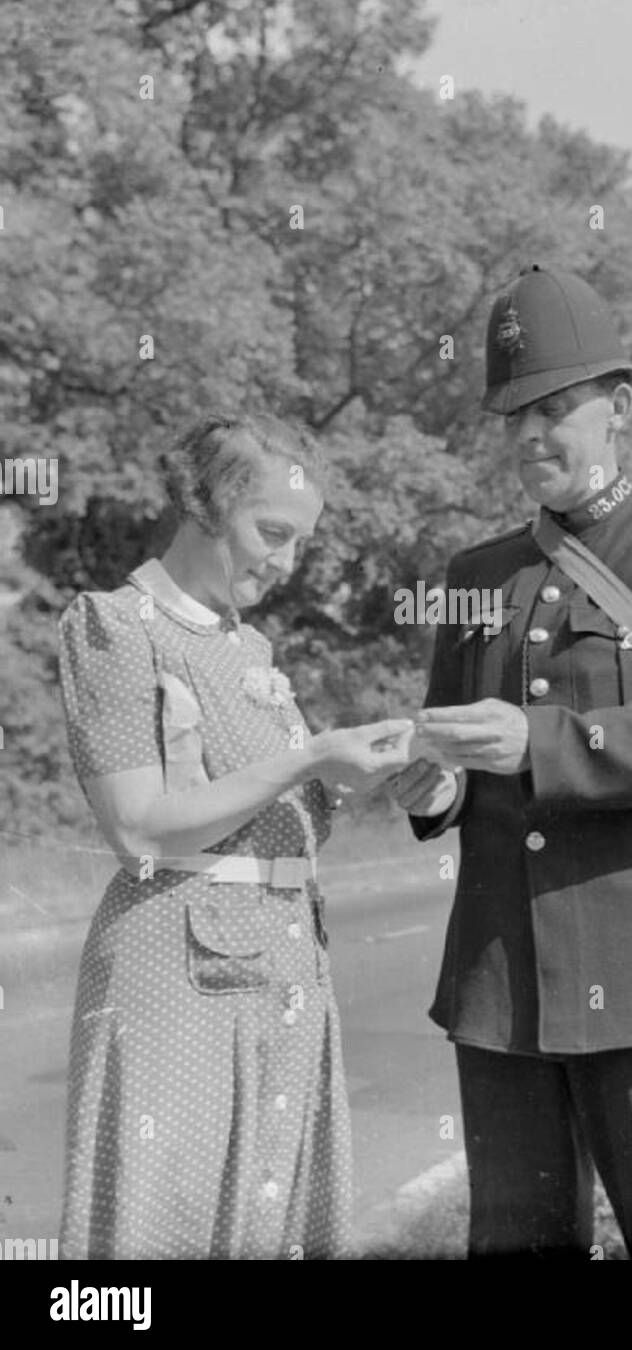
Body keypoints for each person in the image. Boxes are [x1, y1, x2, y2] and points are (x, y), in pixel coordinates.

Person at [390, 264, 632, 1258]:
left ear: (619, 405)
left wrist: (544, 743)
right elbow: (453, 764)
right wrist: (426, 785)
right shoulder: (474, 574)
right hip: (500, 985)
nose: (528, 433)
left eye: (554, 406)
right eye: (513, 413)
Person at [57, 412, 413, 1260]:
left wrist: (362, 777)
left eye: (301, 543)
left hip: (284, 971)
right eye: (272, 533)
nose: (285, 563)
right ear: (203, 505)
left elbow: (260, 815)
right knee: (167, 1227)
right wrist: (310, 755)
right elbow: (138, 826)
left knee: (266, 1226)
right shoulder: (115, 626)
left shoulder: (248, 642)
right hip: (179, 974)